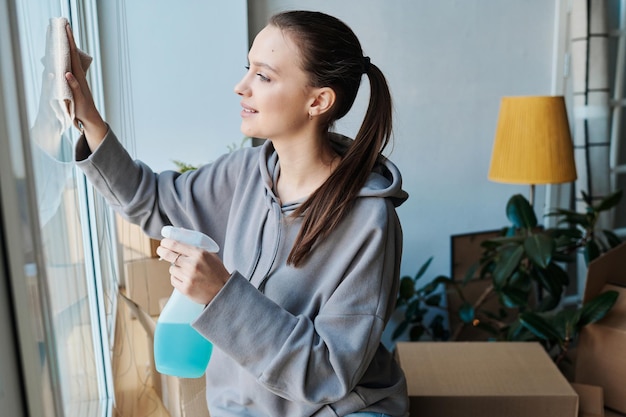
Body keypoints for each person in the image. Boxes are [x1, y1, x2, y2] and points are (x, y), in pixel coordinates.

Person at [66, 9, 410, 417]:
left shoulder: (369, 221)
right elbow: (153, 201)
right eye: (248, 69)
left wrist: (220, 293)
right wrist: (88, 118)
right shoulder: (247, 171)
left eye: (263, 76)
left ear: (318, 100)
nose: (240, 87)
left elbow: (327, 373)